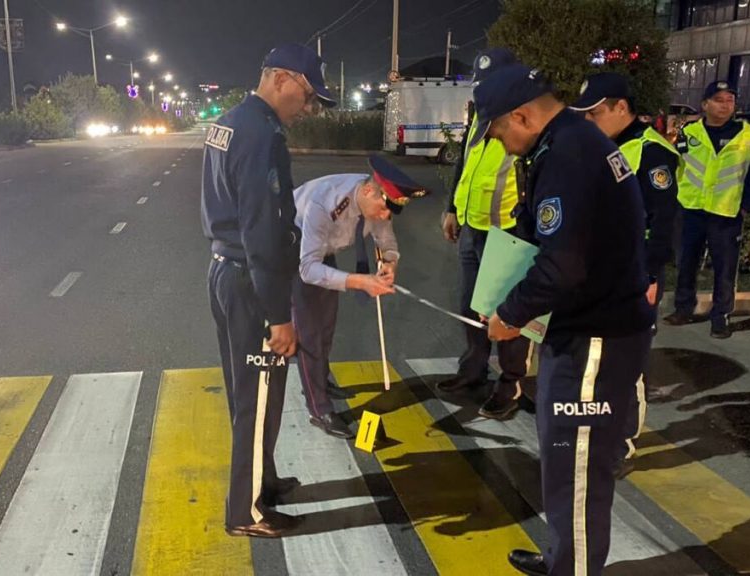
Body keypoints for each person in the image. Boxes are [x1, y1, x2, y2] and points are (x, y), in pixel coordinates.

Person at [469, 61, 654, 575]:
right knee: (562, 462)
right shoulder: (570, 142)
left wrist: (510, 313)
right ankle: (562, 559)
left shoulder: (569, 153)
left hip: (595, 339)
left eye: (500, 130)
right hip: (582, 329)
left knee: (575, 476)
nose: (501, 144)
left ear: (523, 116)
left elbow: (564, 263)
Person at [201, 43, 336, 539]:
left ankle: (265, 479)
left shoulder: (230, 120)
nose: (307, 107)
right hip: (251, 279)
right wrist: (279, 315)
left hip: (226, 269)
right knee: (256, 399)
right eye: (305, 94)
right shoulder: (259, 134)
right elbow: (260, 227)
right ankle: (247, 513)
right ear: (281, 79)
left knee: (250, 393)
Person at [571, 72, 680, 462]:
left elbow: (662, 221)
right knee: (594, 359)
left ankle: (620, 443)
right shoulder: (599, 147)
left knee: (624, 362)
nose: (588, 121)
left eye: (595, 113)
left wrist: (649, 276)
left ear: (621, 107)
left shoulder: (652, 153)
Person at [293, 156, 428, 438]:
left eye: (390, 211)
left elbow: (386, 241)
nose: (384, 217)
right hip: (296, 251)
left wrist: (390, 263)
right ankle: (318, 408)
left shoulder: (377, 203)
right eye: (383, 209)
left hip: (325, 253)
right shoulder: (324, 203)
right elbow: (308, 269)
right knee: (309, 333)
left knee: (327, 324)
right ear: (369, 191)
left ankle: (321, 378)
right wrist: (360, 282)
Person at [440, 47, 533, 420]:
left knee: (509, 314)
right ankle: (473, 370)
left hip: (508, 233)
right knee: (471, 308)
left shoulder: (526, 121)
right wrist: (451, 207)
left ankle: (511, 383)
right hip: (472, 228)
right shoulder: (482, 114)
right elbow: (466, 162)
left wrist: (525, 237)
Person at [664, 81, 750, 339]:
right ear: (705, 104)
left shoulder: (748, 135)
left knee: (725, 268)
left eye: (729, 100)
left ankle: (720, 317)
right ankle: (683, 308)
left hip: (726, 212)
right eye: (719, 99)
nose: (725, 104)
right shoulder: (689, 132)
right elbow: (678, 165)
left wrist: (745, 208)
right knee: (686, 262)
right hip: (691, 209)